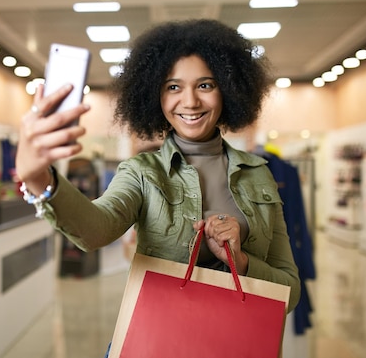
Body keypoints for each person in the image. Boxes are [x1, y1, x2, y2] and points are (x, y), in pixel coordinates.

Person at [15, 19, 301, 314]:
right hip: (160, 339)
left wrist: (240, 262)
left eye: (205, 85)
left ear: (227, 90)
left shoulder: (258, 173)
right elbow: (95, 230)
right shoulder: (142, 172)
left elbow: (289, 292)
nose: (190, 101)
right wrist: (39, 178)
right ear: (156, 95)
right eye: (173, 87)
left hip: (241, 341)